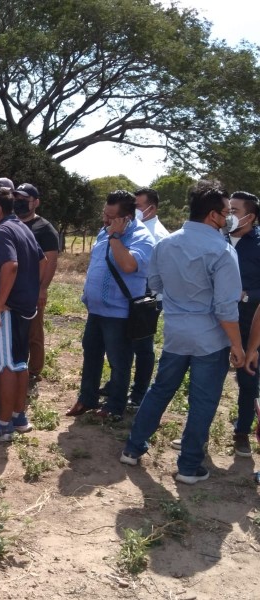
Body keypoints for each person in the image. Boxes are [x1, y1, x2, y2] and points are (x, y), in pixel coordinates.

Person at [121, 183, 244, 485]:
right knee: (202, 401)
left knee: (160, 390)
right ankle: (189, 466)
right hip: (210, 340)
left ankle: (133, 448)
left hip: (176, 334)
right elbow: (226, 308)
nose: (229, 218)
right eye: (227, 212)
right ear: (213, 215)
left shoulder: (166, 243)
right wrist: (237, 346)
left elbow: (156, 285)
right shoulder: (222, 251)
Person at [66, 190, 155, 421]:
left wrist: (116, 237)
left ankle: (115, 406)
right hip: (96, 310)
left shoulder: (142, 238)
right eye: (104, 213)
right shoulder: (103, 232)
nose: (105, 220)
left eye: (111, 216)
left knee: (119, 361)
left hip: (120, 313)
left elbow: (128, 265)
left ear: (127, 217)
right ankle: (87, 399)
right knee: (91, 354)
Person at [0, 186, 45, 442]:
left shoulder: (2, 230)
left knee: (5, 365)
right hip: (24, 307)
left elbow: (11, 265)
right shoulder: (22, 227)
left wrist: (0, 303)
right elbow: (40, 260)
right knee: (19, 362)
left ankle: (3, 424)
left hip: (9, 310)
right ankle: (18, 416)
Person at [101, 187, 171, 408]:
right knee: (122, 347)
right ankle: (116, 385)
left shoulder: (158, 234)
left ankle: (139, 392)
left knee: (142, 347)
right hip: (128, 297)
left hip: (147, 299)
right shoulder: (126, 228)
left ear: (152, 208)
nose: (135, 210)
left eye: (139, 206)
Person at [13, 183, 60, 395]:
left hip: (33, 290)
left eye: (25, 199)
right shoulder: (11, 222)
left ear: (36, 202)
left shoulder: (45, 228)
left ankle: (34, 371)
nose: (20, 202)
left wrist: (43, 289)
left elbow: (51, 261)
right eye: (17, 198)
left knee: (34, 332)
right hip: (12, 289)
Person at [224, 191, 260, 457]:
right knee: (206, 376)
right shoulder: (216, 238)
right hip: (216, 322)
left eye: (234, 211)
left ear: (251, 216)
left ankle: (242, 432)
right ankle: (196, 431)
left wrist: (245, 295)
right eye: (227, 210)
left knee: (248, 379)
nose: (229, 215)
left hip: (250, 324)